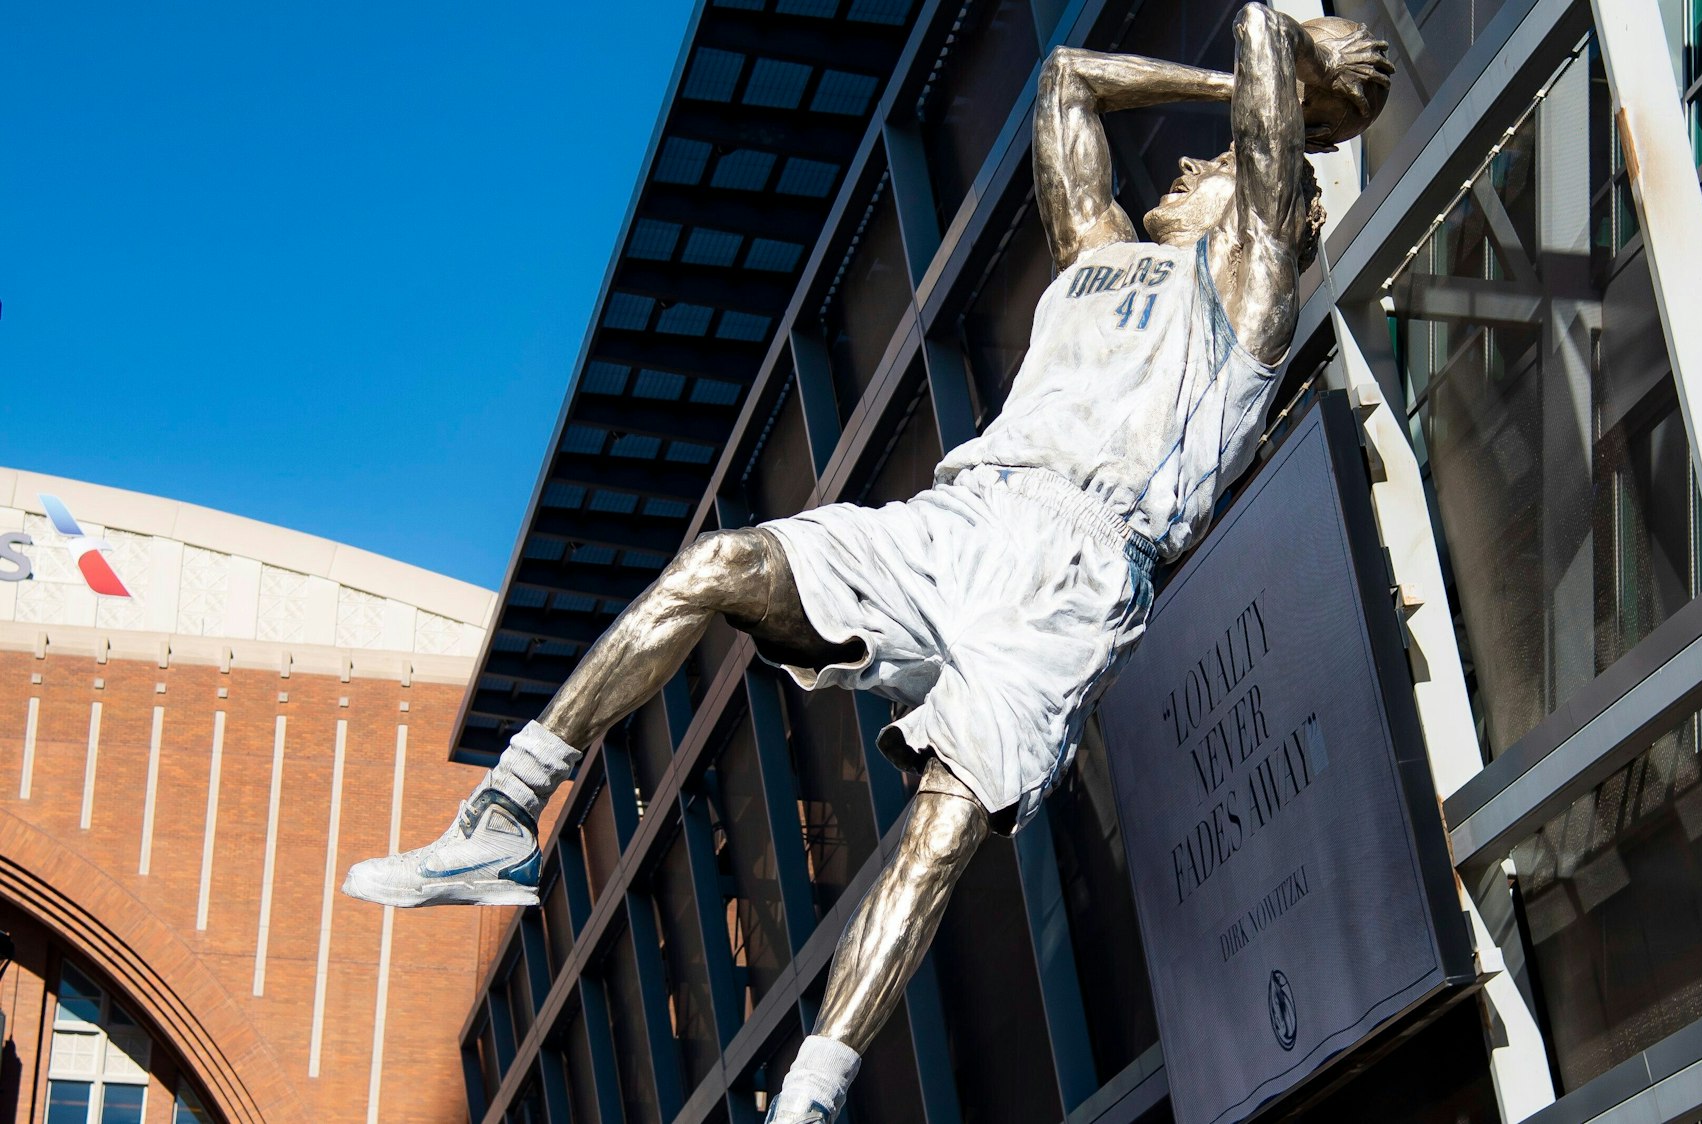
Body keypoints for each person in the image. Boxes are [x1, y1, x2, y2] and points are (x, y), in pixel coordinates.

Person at [344, 8, 1390, 1120]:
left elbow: (1262, 28)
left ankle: (808, 1095)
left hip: (1077, 571)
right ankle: (507, 811)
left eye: (1220, 163)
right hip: (962, 516)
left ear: (1279, 201)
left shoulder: (1248, 290)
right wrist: (1235, 90)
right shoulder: (1099, 257)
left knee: (939, 827)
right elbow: (1070, 77)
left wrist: (1285, 88)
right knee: (719, 565)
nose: (1189, 163)